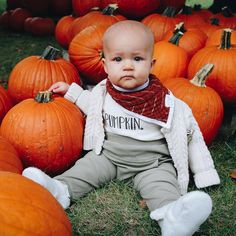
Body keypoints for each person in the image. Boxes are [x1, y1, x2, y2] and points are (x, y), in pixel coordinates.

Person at [22, 20, 220, 236]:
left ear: (151, 64)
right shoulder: (103, 92)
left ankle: (172, 217)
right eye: (118, 59)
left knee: (162, 186)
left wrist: (204, 173)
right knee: (84, 169)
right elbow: (93, 107)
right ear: (105, 65)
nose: (128, 65)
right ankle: (58, 190)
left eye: (137, 59)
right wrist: (73, 92)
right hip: (110, 157)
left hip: (151, 163)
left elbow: (190, 135)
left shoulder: (167, 103)